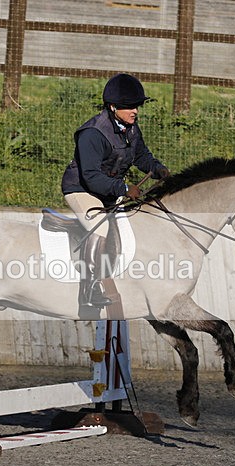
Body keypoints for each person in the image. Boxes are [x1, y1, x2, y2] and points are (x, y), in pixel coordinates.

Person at [61, 73, 170, 308]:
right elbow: (90, 177)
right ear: (112, 107)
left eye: (137, 106)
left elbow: (141, 156)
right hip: (81, 189)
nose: (135, 111)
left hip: (107, 191)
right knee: (99, 227)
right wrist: (123, 187)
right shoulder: (92, 133)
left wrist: (157, 168)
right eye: (130, 107)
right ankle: (89, 290)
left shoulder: (131, 128)